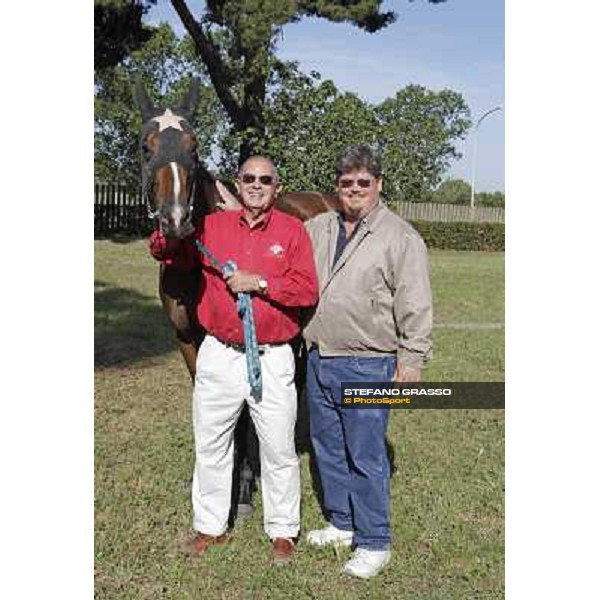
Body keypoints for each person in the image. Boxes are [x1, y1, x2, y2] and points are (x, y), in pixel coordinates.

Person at [149, 156, 318, 565]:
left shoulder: (293, 231)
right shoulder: (212, 227)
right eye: (248, 179)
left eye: (265, 180)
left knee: (278, 449)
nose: (256, 185)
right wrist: (165, 229)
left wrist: (259, 282)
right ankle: (209, 526)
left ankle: (282, 532)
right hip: (220, 356)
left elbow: (306, 291)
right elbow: (167, 251)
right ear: (237, 185)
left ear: (277, 187)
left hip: (272, 356)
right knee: (211, 445)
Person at [303, 144, 433, 578]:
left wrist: (411, 362)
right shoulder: (318, 227)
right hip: (320, 358)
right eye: (346, 183)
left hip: (369, 364)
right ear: (337, 187)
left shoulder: (400, 236)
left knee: (366, 455)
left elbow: (415, 303)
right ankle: (341, 522)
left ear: (377, 185)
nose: (354, 189)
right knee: (328, 449)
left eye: (363, 182)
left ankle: (375, 541)